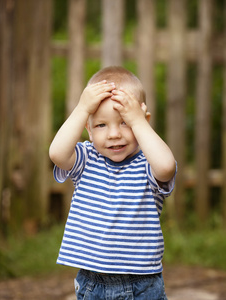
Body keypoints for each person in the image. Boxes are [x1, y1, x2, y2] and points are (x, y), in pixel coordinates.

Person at [49, 66, 176, 300]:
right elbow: (57, 153)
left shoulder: (149, 163)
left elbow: (167, 167)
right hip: (92, 282)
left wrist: (138, 123)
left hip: (143, 283)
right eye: (101, 125)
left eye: (125, 122)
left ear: (143, 122)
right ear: (88, 129)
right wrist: (81, 109)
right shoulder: (86, 158)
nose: (114, 134)